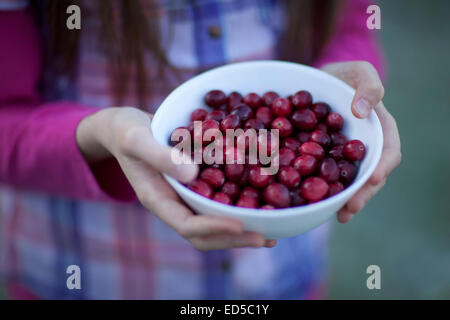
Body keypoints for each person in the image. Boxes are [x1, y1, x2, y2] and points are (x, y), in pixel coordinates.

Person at [0, 0, 401, 299]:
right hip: (86, 273)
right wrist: (100, 134)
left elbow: (351, 22)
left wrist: (346, 83)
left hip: (278, 274)